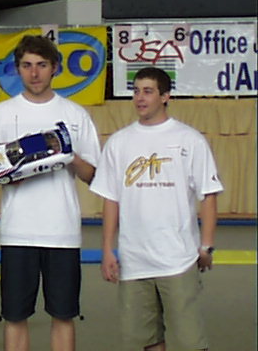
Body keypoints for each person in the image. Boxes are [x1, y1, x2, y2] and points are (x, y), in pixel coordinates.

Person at [0, 35, 100, 351]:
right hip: (17, 232)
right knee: (15, 316)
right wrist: (11, 173)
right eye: (27, 65)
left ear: (55, 68)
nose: (34, 73)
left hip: (62, 232)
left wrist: (68, 155)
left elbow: (94, 176)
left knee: (64, 315)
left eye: (42, 65)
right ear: (17, 69)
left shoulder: (75, 115)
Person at [89, 67, 223, 351]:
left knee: (190, 342)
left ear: (165, 96)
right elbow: (110, 199)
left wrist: (206, 246)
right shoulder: (119, 142)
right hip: (134, 262)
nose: (140, 98)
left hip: (178, 259)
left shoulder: (189, 140)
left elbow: (208, 196)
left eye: (148, 91)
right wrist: (107, 250)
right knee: (146, 341)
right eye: (136, 91)